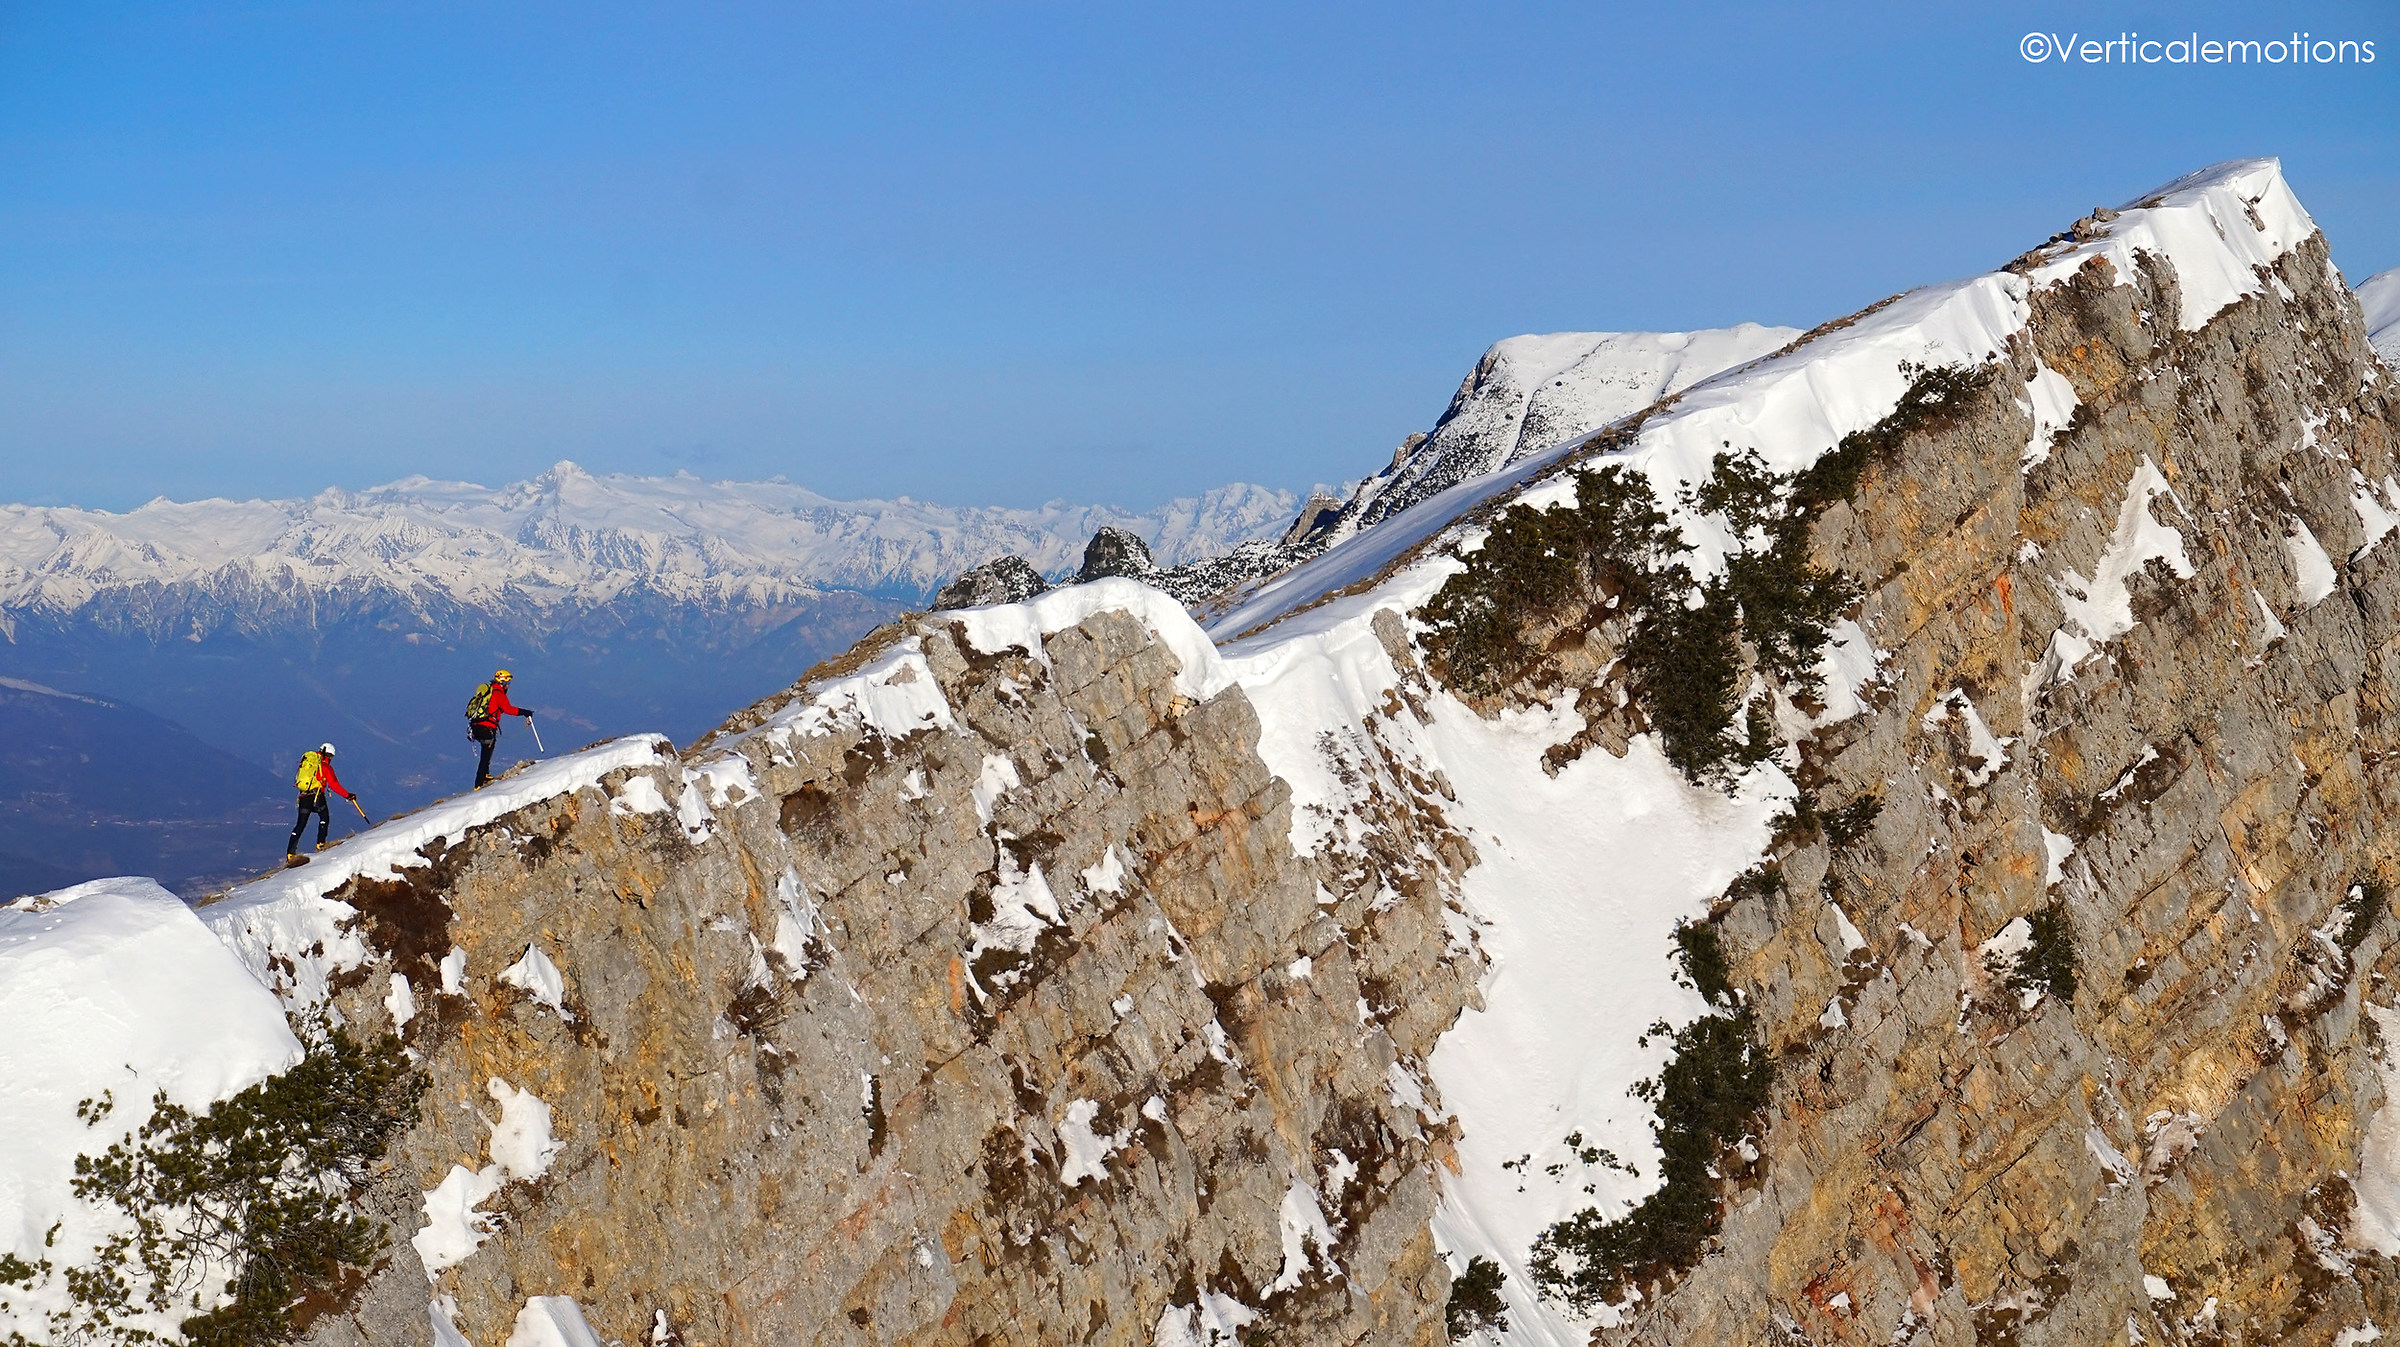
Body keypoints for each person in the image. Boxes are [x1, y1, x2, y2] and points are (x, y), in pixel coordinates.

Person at [286, 743, 362, 864]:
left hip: (303, 797)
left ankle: (290, 852)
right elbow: (334, 785)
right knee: (324, 817)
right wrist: (348, 795)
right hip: (317, 797)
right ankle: (321, 843)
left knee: (300, 824)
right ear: (330, 755)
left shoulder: (308, 763)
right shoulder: (325, 767)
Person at [468, 668, 535, 788]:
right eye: (507, 683)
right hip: (486, 728)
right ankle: (478, 784)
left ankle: (485, 775)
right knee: (485, 755)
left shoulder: (490, 690)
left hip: (476, 727)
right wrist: (525, 712)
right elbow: (509, 709)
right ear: (503, 682)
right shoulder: (499, 693)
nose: (508, 686)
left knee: (488, 749)